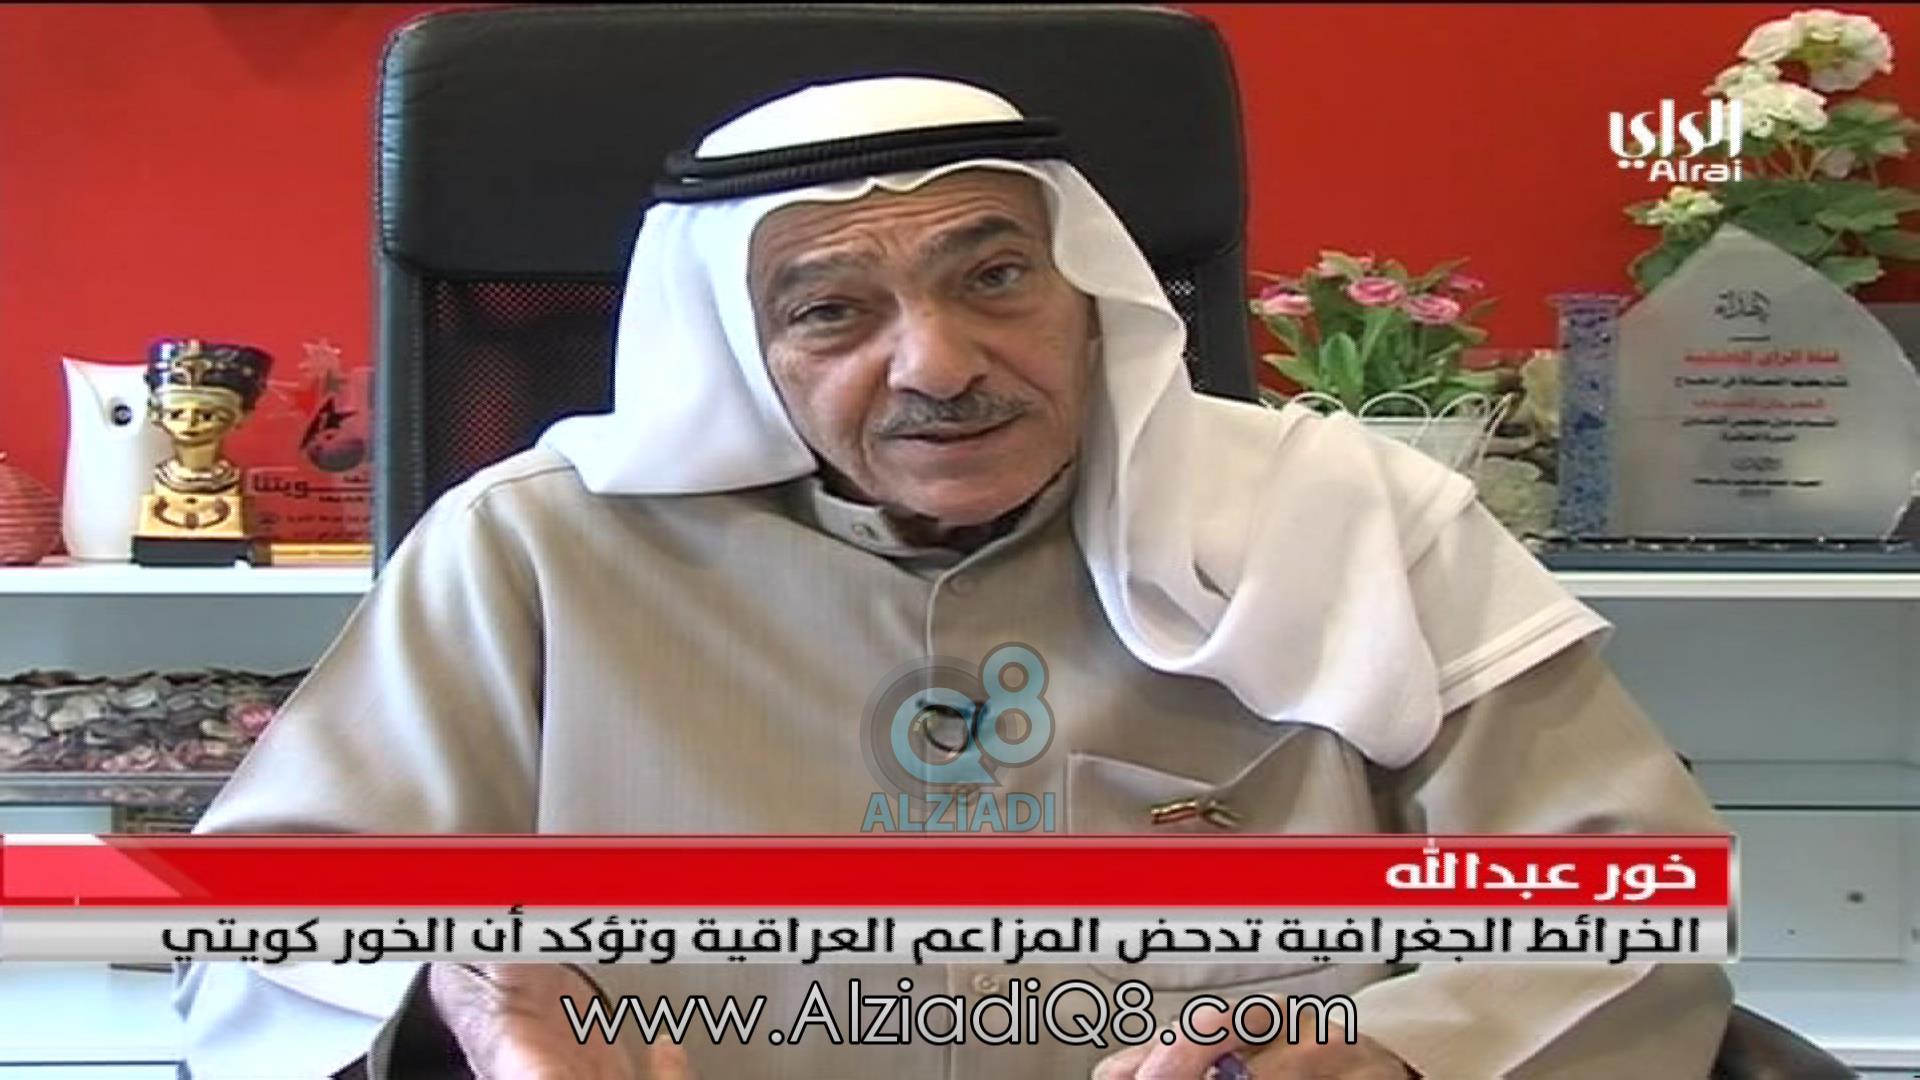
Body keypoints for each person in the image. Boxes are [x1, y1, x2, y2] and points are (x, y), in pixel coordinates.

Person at [175, 75, 1731, 1079]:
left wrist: (1396, 1053)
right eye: (832, 311)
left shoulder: (1357, 519)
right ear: (741, 351)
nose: (937, 363)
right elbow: (271, 929)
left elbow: (1633, 900)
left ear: (1088, 295)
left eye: (992, 278)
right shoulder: (531, 550)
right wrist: (457, 1005)